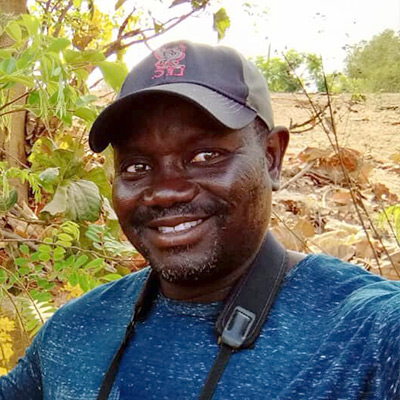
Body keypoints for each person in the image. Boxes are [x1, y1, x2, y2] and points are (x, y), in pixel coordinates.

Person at [1, 40, 399, 400]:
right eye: (137, 166)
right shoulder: (75, 330)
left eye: (205, 156)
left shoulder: (368, 333)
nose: (165, 190)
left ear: (272, 157)